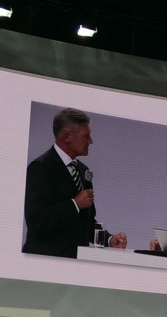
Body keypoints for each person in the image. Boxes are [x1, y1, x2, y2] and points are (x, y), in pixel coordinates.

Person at [23, 107, 127, 258]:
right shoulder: (40, 168)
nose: (91, 141)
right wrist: (75, 204)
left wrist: (109, 240)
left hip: (76, 261)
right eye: (86, 136)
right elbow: (36, 221)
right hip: (45, 259)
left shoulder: (84, 170)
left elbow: (86, 221)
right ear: (67, 137)